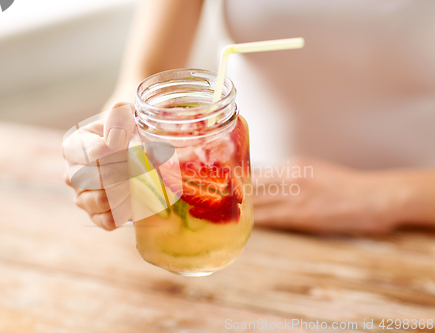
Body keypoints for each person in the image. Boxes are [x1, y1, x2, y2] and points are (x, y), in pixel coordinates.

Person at [63, 0, 435, 235]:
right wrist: (112, 144)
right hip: (245, 210)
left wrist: (381, 198)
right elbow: (149, 76)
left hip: (415, 232)